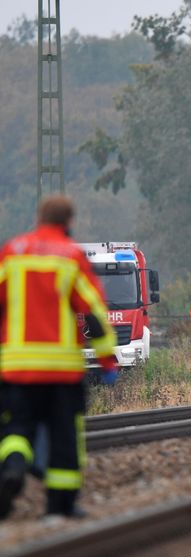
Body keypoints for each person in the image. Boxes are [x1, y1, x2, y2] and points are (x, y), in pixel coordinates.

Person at [0, 195, 118, 519]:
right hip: (61, 370)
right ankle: (60, 505)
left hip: (16, 367)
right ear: (69, 221)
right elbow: (93, 310)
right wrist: (108, 358)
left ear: (39, 217)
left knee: (15, 429)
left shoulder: (13, 251)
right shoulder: (71, 256)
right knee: (63, 435)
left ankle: (12, 468)